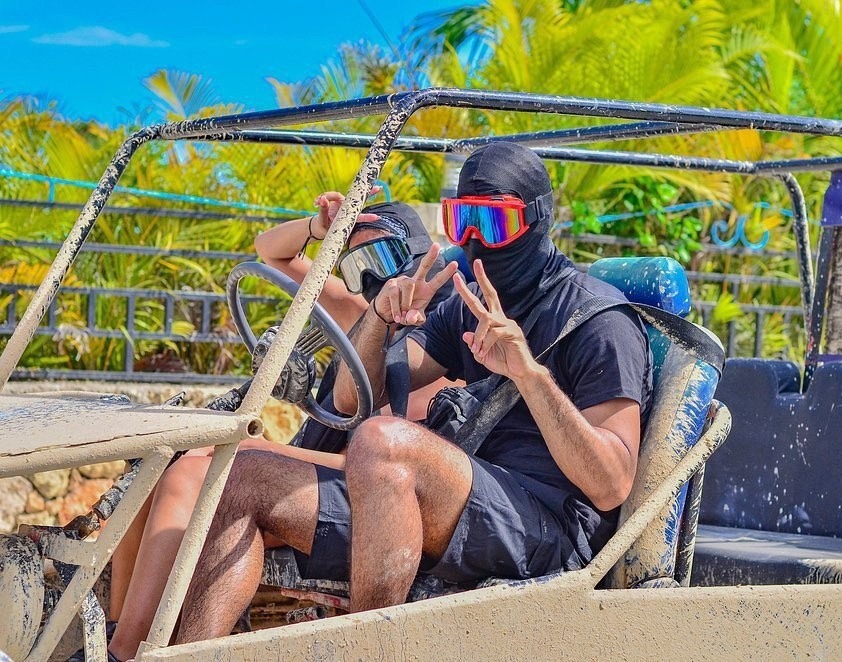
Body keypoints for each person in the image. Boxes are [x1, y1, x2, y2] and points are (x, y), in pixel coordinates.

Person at [173, 142, 653, 642]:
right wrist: (381, 317)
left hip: (552, 530)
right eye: (462, 221)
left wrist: (530, 376)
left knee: (384, 441)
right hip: (465, 505)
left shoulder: (597, 320)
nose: (474, 241)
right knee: (244, 476)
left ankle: (366, 651)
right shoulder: (466, 305)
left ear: (536, 218)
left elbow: (611, 484)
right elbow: (355, 397)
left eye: (493, 223)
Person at [102, 194, 455, 662]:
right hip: (326, 469)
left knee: (194, 476)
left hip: (378, 490)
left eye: (381, 257)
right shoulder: (365, 314)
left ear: (417, 255)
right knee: (167, 462)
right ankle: (116, 633)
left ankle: (125, 652)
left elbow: (402, 462)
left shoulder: (443, 341)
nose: (371, 277)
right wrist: (319, 227)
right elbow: (270, 251)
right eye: (355, 265)